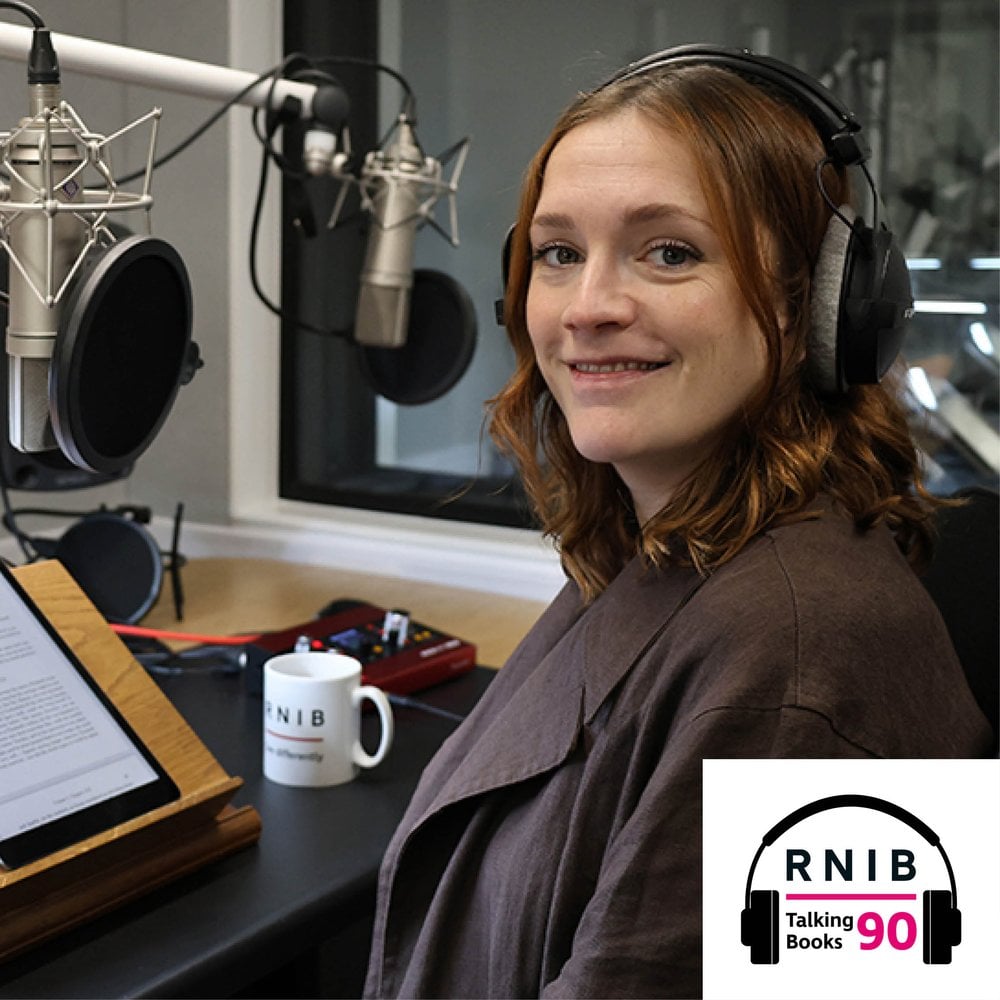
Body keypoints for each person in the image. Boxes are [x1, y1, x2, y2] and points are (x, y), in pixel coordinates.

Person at [363, 46, 993, 999]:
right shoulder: (663, 550)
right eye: (559, 253)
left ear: (820, 307)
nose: (589, 307)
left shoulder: (806, 659)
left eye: (670, 252)